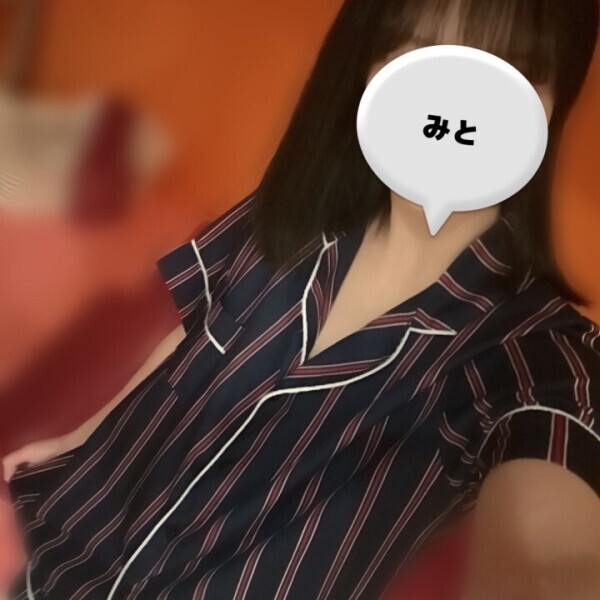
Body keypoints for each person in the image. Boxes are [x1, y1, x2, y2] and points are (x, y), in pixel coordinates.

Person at [4, 0, 600, 598]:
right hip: (58, 554)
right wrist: (76, 439)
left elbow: (549, 557)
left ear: (550, 105)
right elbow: (192, 334)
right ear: (368, 70)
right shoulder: (284, 220)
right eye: (417, 57)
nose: (452, 107)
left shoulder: (535, 353)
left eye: (503, 69)